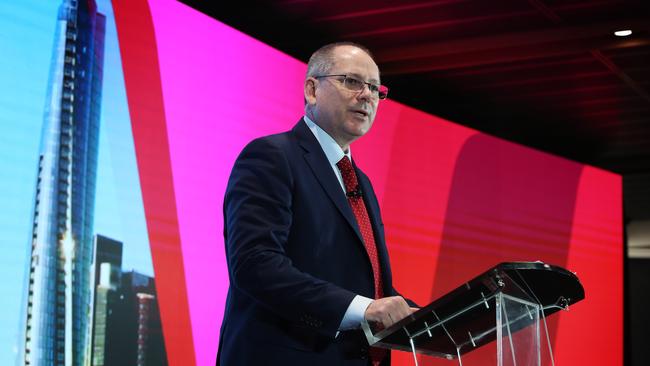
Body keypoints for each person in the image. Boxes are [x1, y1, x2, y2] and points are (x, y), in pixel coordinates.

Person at [216, 42, 416, 366]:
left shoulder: (360, 182)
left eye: (376, 89)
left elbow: (368, 286)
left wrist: (436, 317)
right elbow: (255, 264)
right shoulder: (272, 157)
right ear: (312, 89)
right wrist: (362, 309)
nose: (367, 95)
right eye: (352, 81)